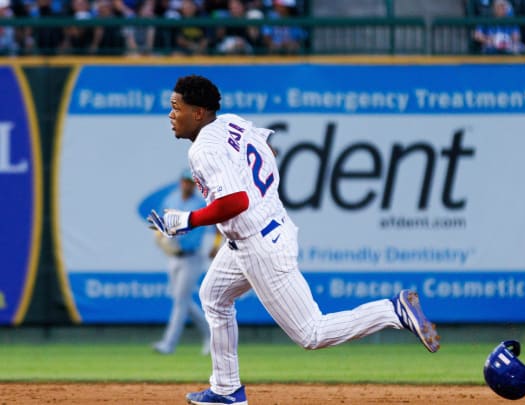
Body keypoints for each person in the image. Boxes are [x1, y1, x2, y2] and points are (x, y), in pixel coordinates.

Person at [153, 74, 440, 405]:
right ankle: (226, 388)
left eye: (177, 107)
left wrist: (189, 219)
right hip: (263, 229)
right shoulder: (231, 123)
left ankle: (392, 310)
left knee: (311, 333)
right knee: (213, 296)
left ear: (199, 113)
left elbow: (237, 201)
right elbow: (266, 153)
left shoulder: (203, 150)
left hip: (258, 243)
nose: (171, 114)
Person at [152, 169, 211, 355]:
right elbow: (160, 224)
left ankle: (168, 344)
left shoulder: (199, 204)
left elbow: (207, 230)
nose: (187, 184)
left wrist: (215, 246)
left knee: (180, 301)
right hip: (174, 257)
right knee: (181, 300)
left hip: (192, 257)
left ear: (195, 184)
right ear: (180, 182)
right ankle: (211, 334)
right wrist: (160, 238)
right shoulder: (171, 200)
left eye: (190, 182)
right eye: (185, 181)